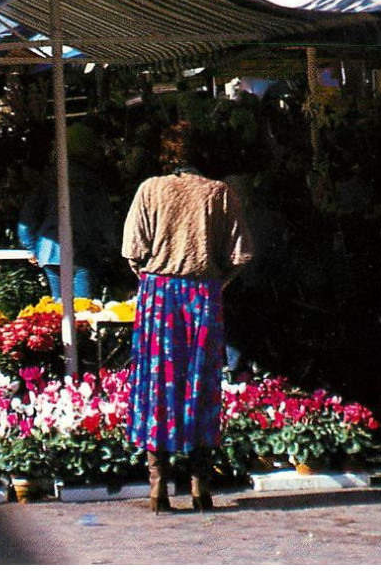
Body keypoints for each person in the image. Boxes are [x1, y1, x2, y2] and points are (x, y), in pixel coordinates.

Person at [122, 123, 253, 514]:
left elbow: (133, 252)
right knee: (201, 381)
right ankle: (200, 486)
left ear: (168, 154)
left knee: (156, 385)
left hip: (158, 295)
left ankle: (158, 485)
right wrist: (217, 285)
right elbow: (240, 254)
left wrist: (154, 278)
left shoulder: (150, 190)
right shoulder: (219, 193)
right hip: (203, 294)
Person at [18, 122, 117, 300]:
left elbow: (28, 217)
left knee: (58, 308)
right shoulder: (91, 180)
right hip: (83, 249)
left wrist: (31, 247)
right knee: (83, 308)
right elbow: (104, 218)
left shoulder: (49, 178)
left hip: (49, 250)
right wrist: (111, 247)